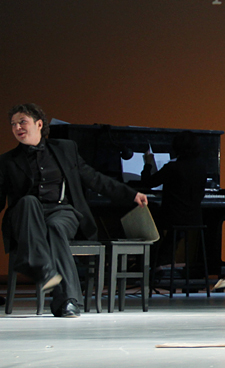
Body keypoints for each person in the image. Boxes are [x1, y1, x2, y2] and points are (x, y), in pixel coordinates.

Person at [1, 103, 148, 317]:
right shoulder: (7, 161)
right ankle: (47, 275)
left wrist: (130, 194)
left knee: (55, 228)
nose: (17, 127)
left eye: (22, 122)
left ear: (39, 124)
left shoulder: (65, 149)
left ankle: (63, 296)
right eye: (13, 124)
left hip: (61, 211)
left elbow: (93, 178)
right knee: (28, 202)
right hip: (27, 218)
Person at [141, 131, 207, 269]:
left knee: (149, 214)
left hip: (173, 218)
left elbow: (147, 183)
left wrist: (147, 164)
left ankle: (150, 262)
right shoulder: (201, 167)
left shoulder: (172, 168)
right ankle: (160, 261)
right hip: (194, 217)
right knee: (176, 228)